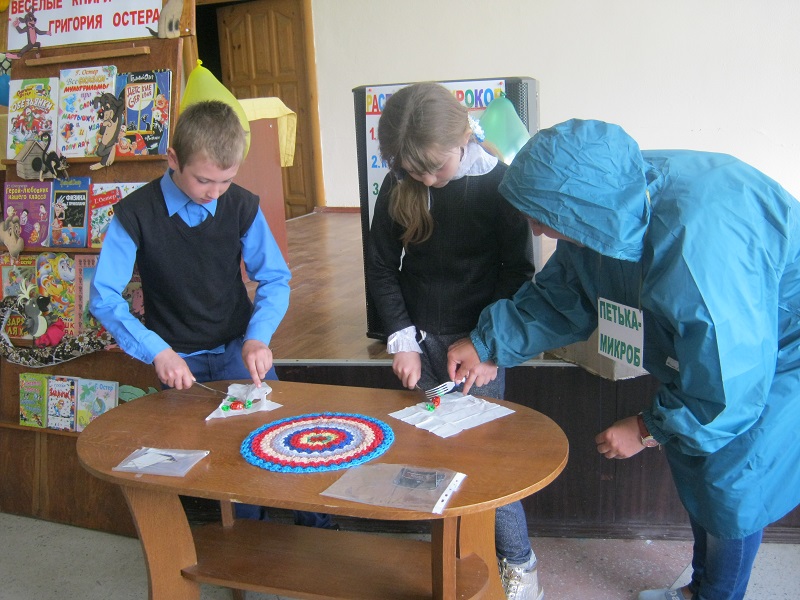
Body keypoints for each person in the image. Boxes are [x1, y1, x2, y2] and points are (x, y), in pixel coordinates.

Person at [447, 118, 800, 600]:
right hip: (722, 350)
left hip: (776, 350)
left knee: (731, 482)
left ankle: (716, 594)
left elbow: (727, 385)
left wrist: (645, 429)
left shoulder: (698, 247)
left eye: (541, 215)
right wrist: (487, 343)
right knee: (697, 463)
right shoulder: (601, 207)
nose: (536, 228)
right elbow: (564, 295)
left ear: (575, 209)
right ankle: (699, 587)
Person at [89, 100, 331, 529]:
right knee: (218, 462)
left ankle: (320, 529)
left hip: (238, 347)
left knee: (282, 440)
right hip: (178, 358)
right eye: (203, 180)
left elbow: (274, 278)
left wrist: (258, 337)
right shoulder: (135, 214)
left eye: (226, 180)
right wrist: (156, 351)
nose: (215, 192)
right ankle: (248, 536)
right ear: (173, 160)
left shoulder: (240, 205)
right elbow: (104, 296)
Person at [366, 82, 541, 600]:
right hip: (419, 341)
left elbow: (517, 273)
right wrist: (402, 340)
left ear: (464, 138)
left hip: (480, 346)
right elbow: (381, 267)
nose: (425, 180)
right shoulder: (400, 181)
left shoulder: (500, 183)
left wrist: (489, 346)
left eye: (434, 169)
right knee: (427, 455)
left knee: (483, 464)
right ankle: (454, 558)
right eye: (413, 172)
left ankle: (519, 563)